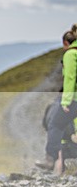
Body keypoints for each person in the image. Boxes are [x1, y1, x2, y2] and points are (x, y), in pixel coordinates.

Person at [36, 24, 77, 172]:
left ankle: (50, 160)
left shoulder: (71, 54)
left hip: (74, 100)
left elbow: (70, 79)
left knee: (55, 125)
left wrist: (66, 101)